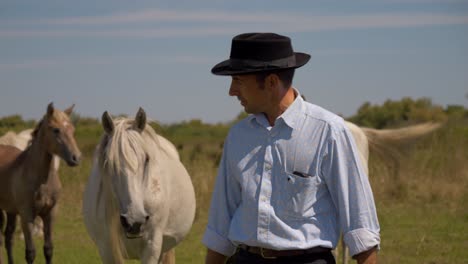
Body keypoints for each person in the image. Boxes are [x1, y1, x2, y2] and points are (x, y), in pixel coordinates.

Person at [202, 32, 380, 264]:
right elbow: (221, 221)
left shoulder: (328, 131)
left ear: (271, 82)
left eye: (238, 81)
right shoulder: (238, 136)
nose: (232, 91)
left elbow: (360, 222)